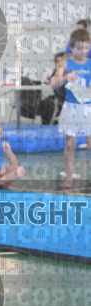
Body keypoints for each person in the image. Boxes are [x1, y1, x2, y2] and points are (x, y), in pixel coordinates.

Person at [50, 28, 91, 188]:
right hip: (71, 107)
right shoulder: (65, 62)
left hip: (88, 107)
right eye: (79, 48)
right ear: (71, 47)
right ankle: (69, 176)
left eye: (86, 47)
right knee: (69, 144)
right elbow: (54, 83)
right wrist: (66, 77)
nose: (83, 51)